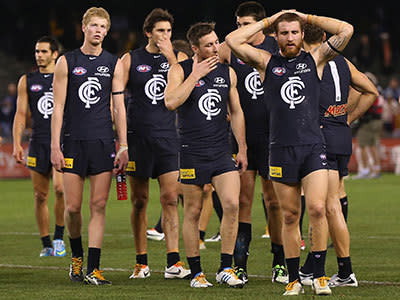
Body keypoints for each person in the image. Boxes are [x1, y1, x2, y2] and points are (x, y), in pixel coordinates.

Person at [225, 10, 354, 295]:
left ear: (301, 34)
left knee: (318, 209)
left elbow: (345, 29)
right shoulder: (266, 62)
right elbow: (233, 39)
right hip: (280, 149)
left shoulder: (316, 59)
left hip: (312, 147)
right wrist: (269, 21)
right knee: (290, 216)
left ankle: (319, 275)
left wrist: (309, 17)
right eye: (284, 33)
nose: (290, 37)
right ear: (277, 37)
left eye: (295, 32)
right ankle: (294, 278)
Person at [165, 21, 247, 288]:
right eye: (209, 44)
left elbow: (235, 112)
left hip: (221, 151)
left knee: (232, 204)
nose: (215, 47)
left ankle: (225, 268)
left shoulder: (227, 72)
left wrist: (242, 147)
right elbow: (171, 102)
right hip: (192, 152)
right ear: (195, 48)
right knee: (193, 210)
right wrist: (195, 76)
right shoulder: (180, 70)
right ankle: (197, 272)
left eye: (216, 42)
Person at [50, 7, 129, 285]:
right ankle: (76, 258)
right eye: (93, 25)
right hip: (72, 143)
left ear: (107, 31)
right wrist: (55, 146)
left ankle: (93, 268)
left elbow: (119, 107)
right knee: (72, 208)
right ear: (84, 28)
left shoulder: (113, 63)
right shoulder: (66, 61)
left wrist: (123, 144)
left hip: (103, 143)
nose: (98, 30)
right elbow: (57, 108)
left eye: (103, 26)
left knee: (98, 204)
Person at [299, 23, 378, 288]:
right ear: (323, 36)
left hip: (319, 137)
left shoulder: (307, 62)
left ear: (300, 37)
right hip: (340, 136)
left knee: (324, 207)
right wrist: (346, 118)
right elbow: (370, 92)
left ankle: (343, 272)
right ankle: (316, 267)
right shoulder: (343, 62)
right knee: (332, 202)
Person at [218, 1, 286, 284]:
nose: (240, 29)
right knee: (242, 200)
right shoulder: (228, 49)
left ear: (259, 24)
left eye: (246, 24)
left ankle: (280, 262)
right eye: (237, 24)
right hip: (241, 139)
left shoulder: (276, 47)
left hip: (273, 137)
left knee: (274, 202)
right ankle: (240, 265)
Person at [120, 8, 190, 280]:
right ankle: (141, 262)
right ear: (148, 32)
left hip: (169, 137)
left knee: (171, 199)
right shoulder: (131, 59)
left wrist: (171, 55)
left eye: (169, 31)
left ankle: (173, 261)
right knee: (139, 201)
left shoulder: (179, 58)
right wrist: (122, 143)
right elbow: (117, 99)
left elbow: (186, 85)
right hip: (139, 139)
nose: (165, 36)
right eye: (160, 31)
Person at [12, 36, 66, 258]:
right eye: (37, 51)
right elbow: (21, 114)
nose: (39, 55)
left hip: (61, 142)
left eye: (44, 51)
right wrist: (16, 143)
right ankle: (46, 243)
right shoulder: (27, 80)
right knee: (40, 195)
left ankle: (59, 238)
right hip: (37, 142)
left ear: (55, 54)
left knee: (60, 190)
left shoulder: (64, 77)